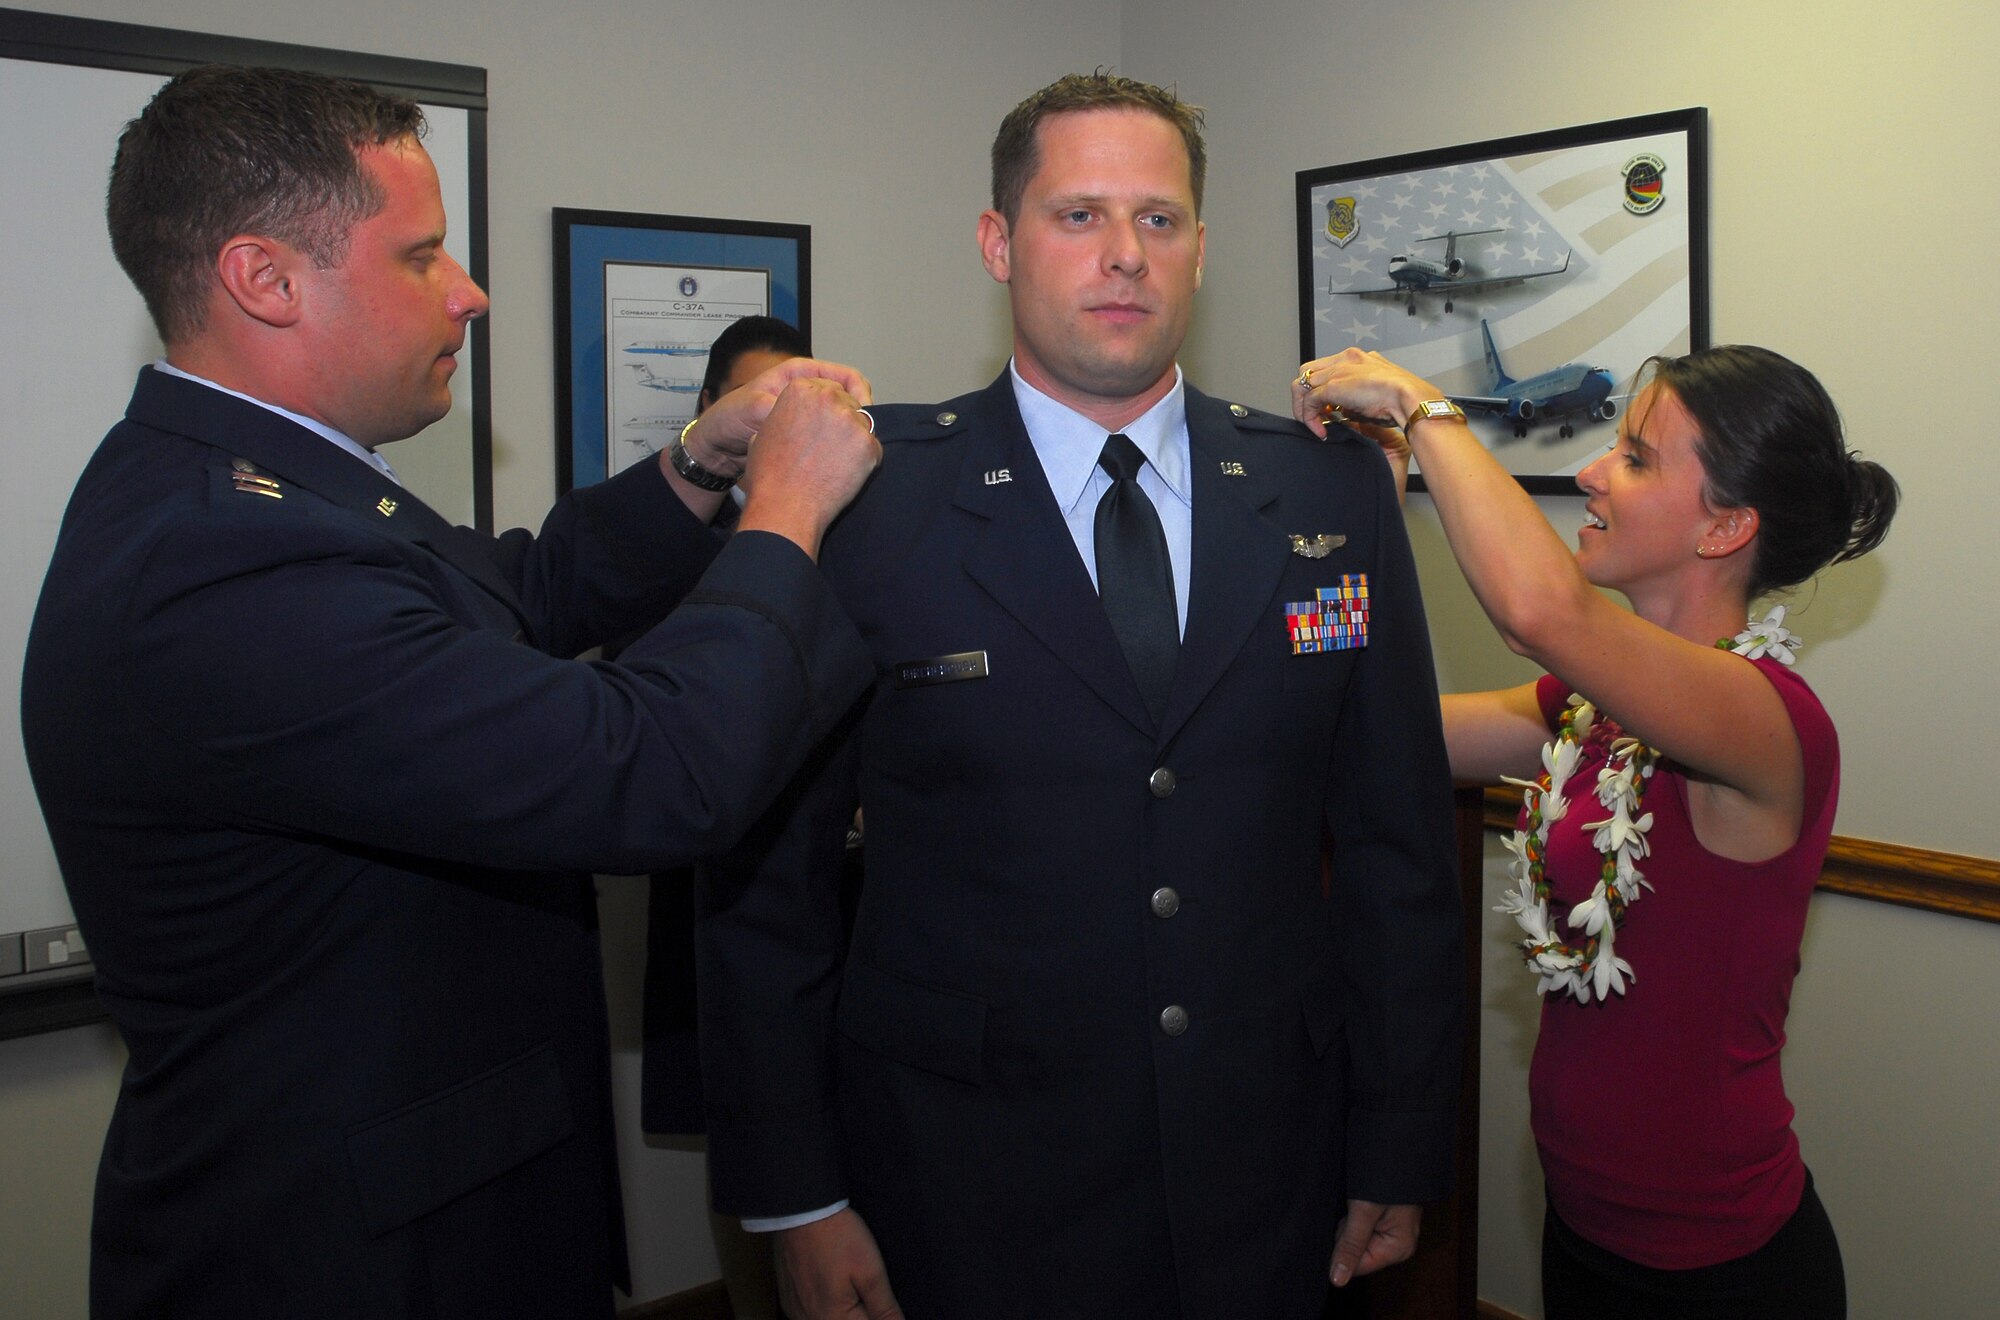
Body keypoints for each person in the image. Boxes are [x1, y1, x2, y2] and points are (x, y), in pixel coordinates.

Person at [19, 65, 880, 1320]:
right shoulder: (221, 560)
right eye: (422, 256)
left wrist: (700, 464)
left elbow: (505, 601)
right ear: (265, 280)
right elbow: (645, 772)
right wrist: (788, 514)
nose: (469, 291)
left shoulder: (270, 486)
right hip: (349, 1261)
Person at [694, 73, 1463, 1320]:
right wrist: (795, 1195)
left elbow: (1395, 853)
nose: (1123, 257)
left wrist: (1398, 1135)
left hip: (1263, 1176)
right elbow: (764, 877)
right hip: (961, 1182)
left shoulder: (1324, 495)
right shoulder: (868, 500)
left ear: (1201, 250)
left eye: (1158, 221)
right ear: (998, 241)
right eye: (1077, 217)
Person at [1292, 344, 1896, 1319]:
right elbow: (1356, 719)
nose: (1588, 473)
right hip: (1582, 1236)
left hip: (1718, 1276)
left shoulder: (1768, 723)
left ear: (1725, 527)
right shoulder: (1586, 712)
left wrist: (1419, 403)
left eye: (1636, 458)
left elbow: (1538, 611)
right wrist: (1357, 519)